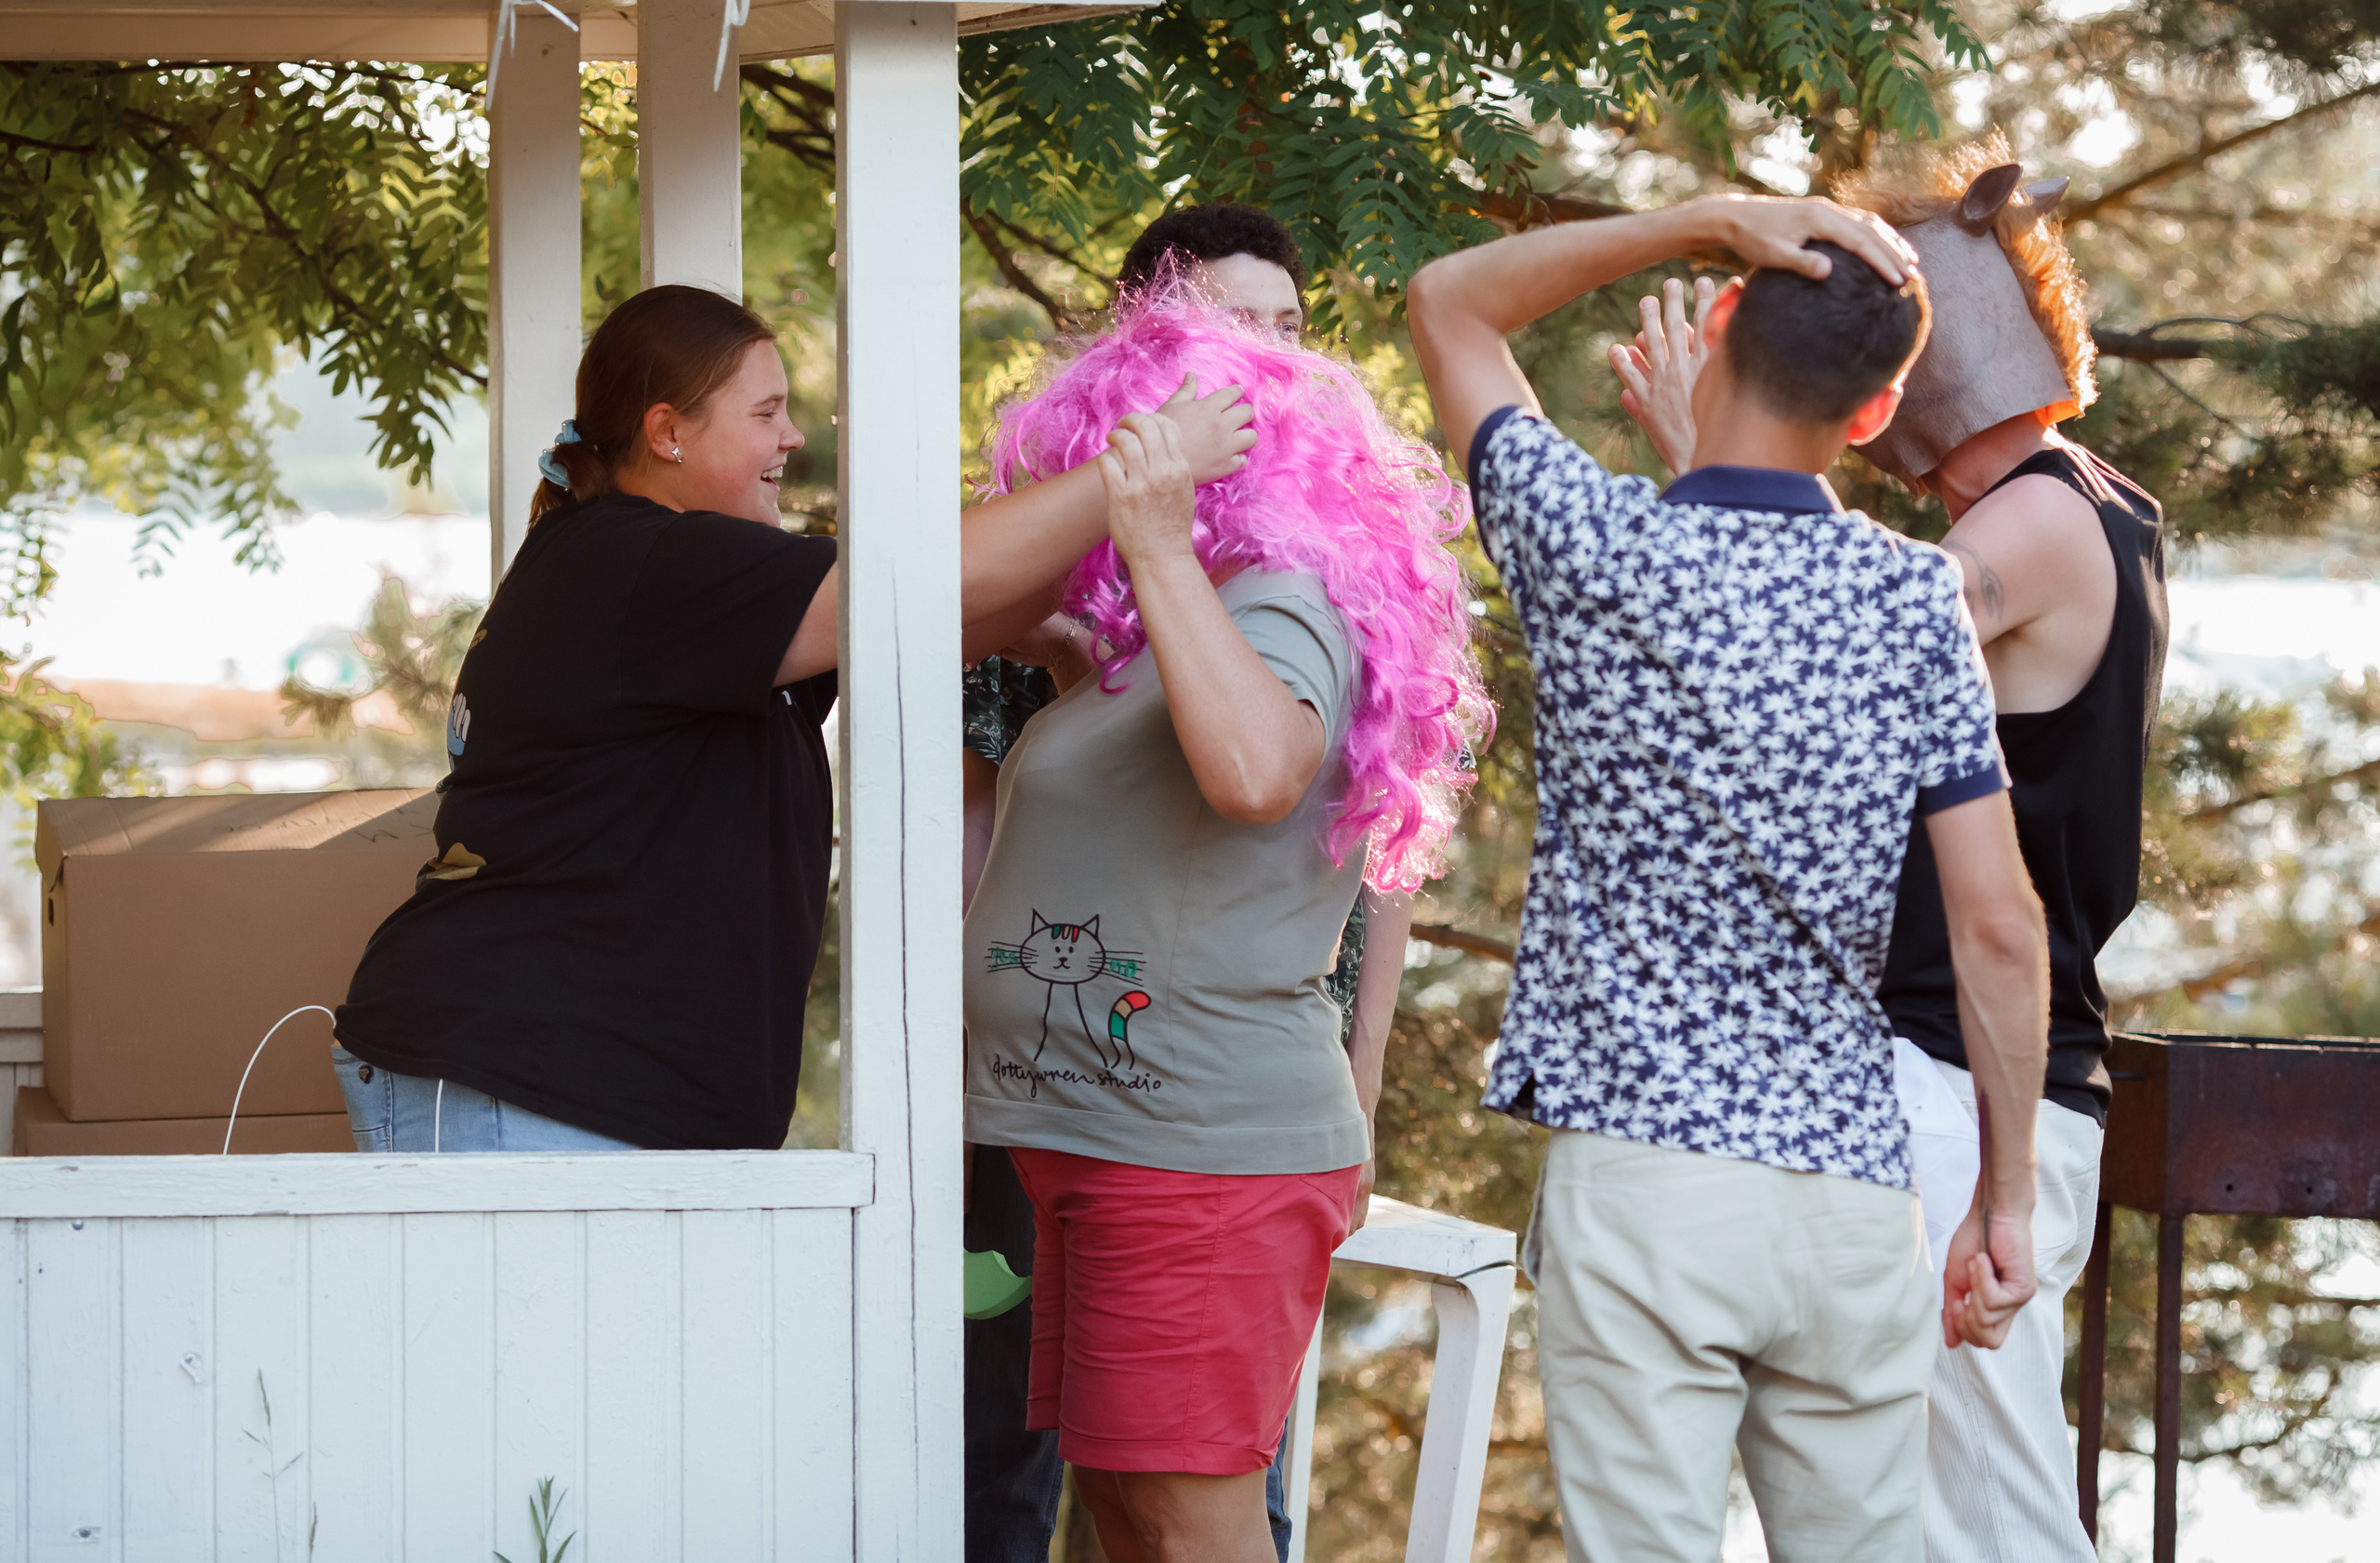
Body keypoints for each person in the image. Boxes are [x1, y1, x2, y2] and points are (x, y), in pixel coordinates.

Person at [1407, 196, 2050, 1561]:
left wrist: (1704, 219)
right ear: (1874, 415)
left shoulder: (1595, 546)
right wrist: (2002, 1198)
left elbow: (1450, 300)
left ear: (1716, 322)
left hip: (1646, 1180)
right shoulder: (1913, 601)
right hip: (1850, 1193)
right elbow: (1999, 925)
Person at [329, 283, 1255, 1153]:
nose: (792, 437)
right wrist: (1141, 467)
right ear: (668, 433)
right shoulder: (645, 563)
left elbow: (948, 612)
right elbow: (934, 578)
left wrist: (1123, 547)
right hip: (525, 1078)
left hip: (567, 1085)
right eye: (766, 413)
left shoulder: (677, 578)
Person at [1613, 136, 2167, 1563]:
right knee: (1905, 1509)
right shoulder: (2103, 501)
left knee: (1990, 1517)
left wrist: (1709, 458)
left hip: (1968, 1085)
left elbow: (1818, 624)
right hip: (1971, 1082)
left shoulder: (2038, 519)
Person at [962, 295, 1488, 1563]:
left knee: (1193, 1523)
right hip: (1103, 1139)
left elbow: (1256, 769)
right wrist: (1095, 645)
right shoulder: (1183, 624)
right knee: (1131, 1509)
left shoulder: (1284, 603)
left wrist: (1153, 546)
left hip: (1197, 1152)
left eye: (1127, 451)